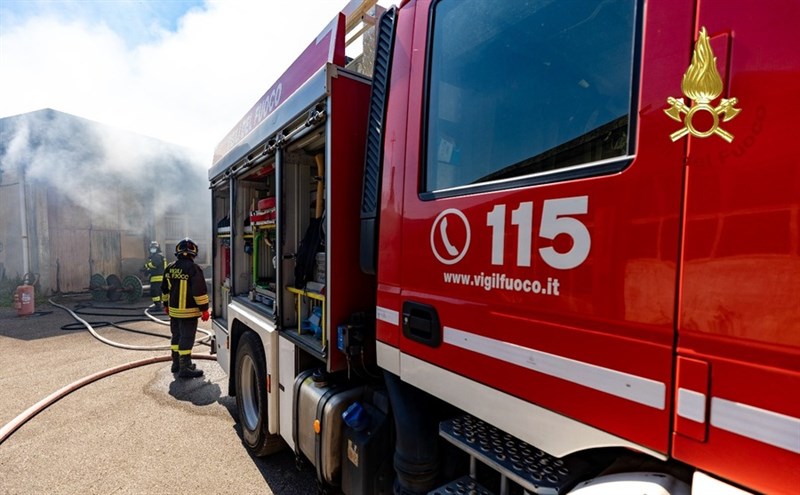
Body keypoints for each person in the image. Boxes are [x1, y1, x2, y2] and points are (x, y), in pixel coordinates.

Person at [161, 238, 209, 378]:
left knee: (176, 336)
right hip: (189, 312)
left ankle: (176, 364)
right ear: (193, 253)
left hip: (174, 312)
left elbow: (164, 289)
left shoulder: (170, 268)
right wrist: (204, 309)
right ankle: (185, 367)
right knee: (187, 338)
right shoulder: (193, 268)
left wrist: (166, 305)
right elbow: (199, 291)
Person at [143, 241, 167, 310]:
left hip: (157, 278)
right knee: (159, 292)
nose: (152, 249)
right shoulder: (159, 255)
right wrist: (148, 271)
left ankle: (158, 306)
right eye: (151, 248)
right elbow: (157, 267)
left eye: (154, 248)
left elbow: (154, 264)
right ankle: (160, 305)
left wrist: (146, 266)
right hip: (160, 277)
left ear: (157, 248)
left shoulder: (157, 256)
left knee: (155, 292)